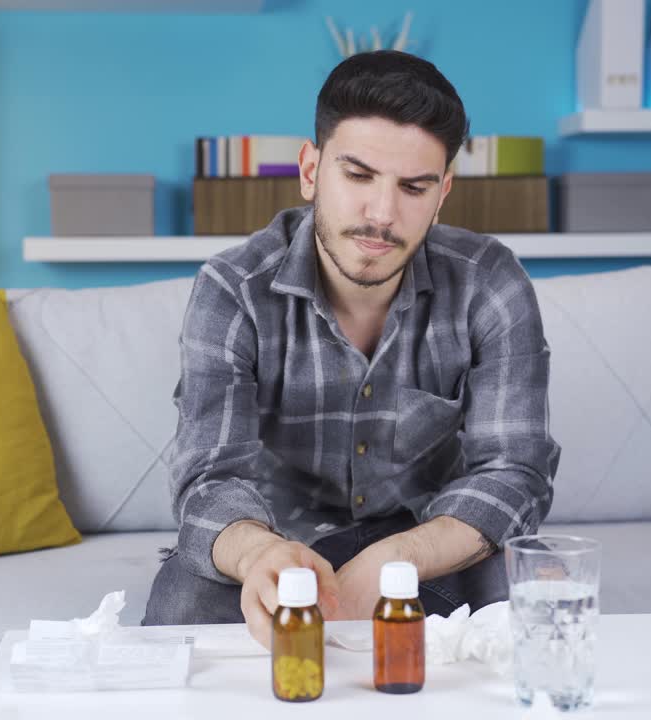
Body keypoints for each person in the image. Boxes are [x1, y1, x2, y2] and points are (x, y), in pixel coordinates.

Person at [142, 49, 560, 648]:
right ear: (311, 170)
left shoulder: (490, 282)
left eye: (413, 187)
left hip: (430, 544)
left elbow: (515, 470)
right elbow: (209, 476)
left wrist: (397, 560)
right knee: (181, 602)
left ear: (442, 193)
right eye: (358, 176)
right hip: (281, 544)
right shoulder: (233, 288)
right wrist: (260, 553)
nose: (382, 214)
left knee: (536, 597)